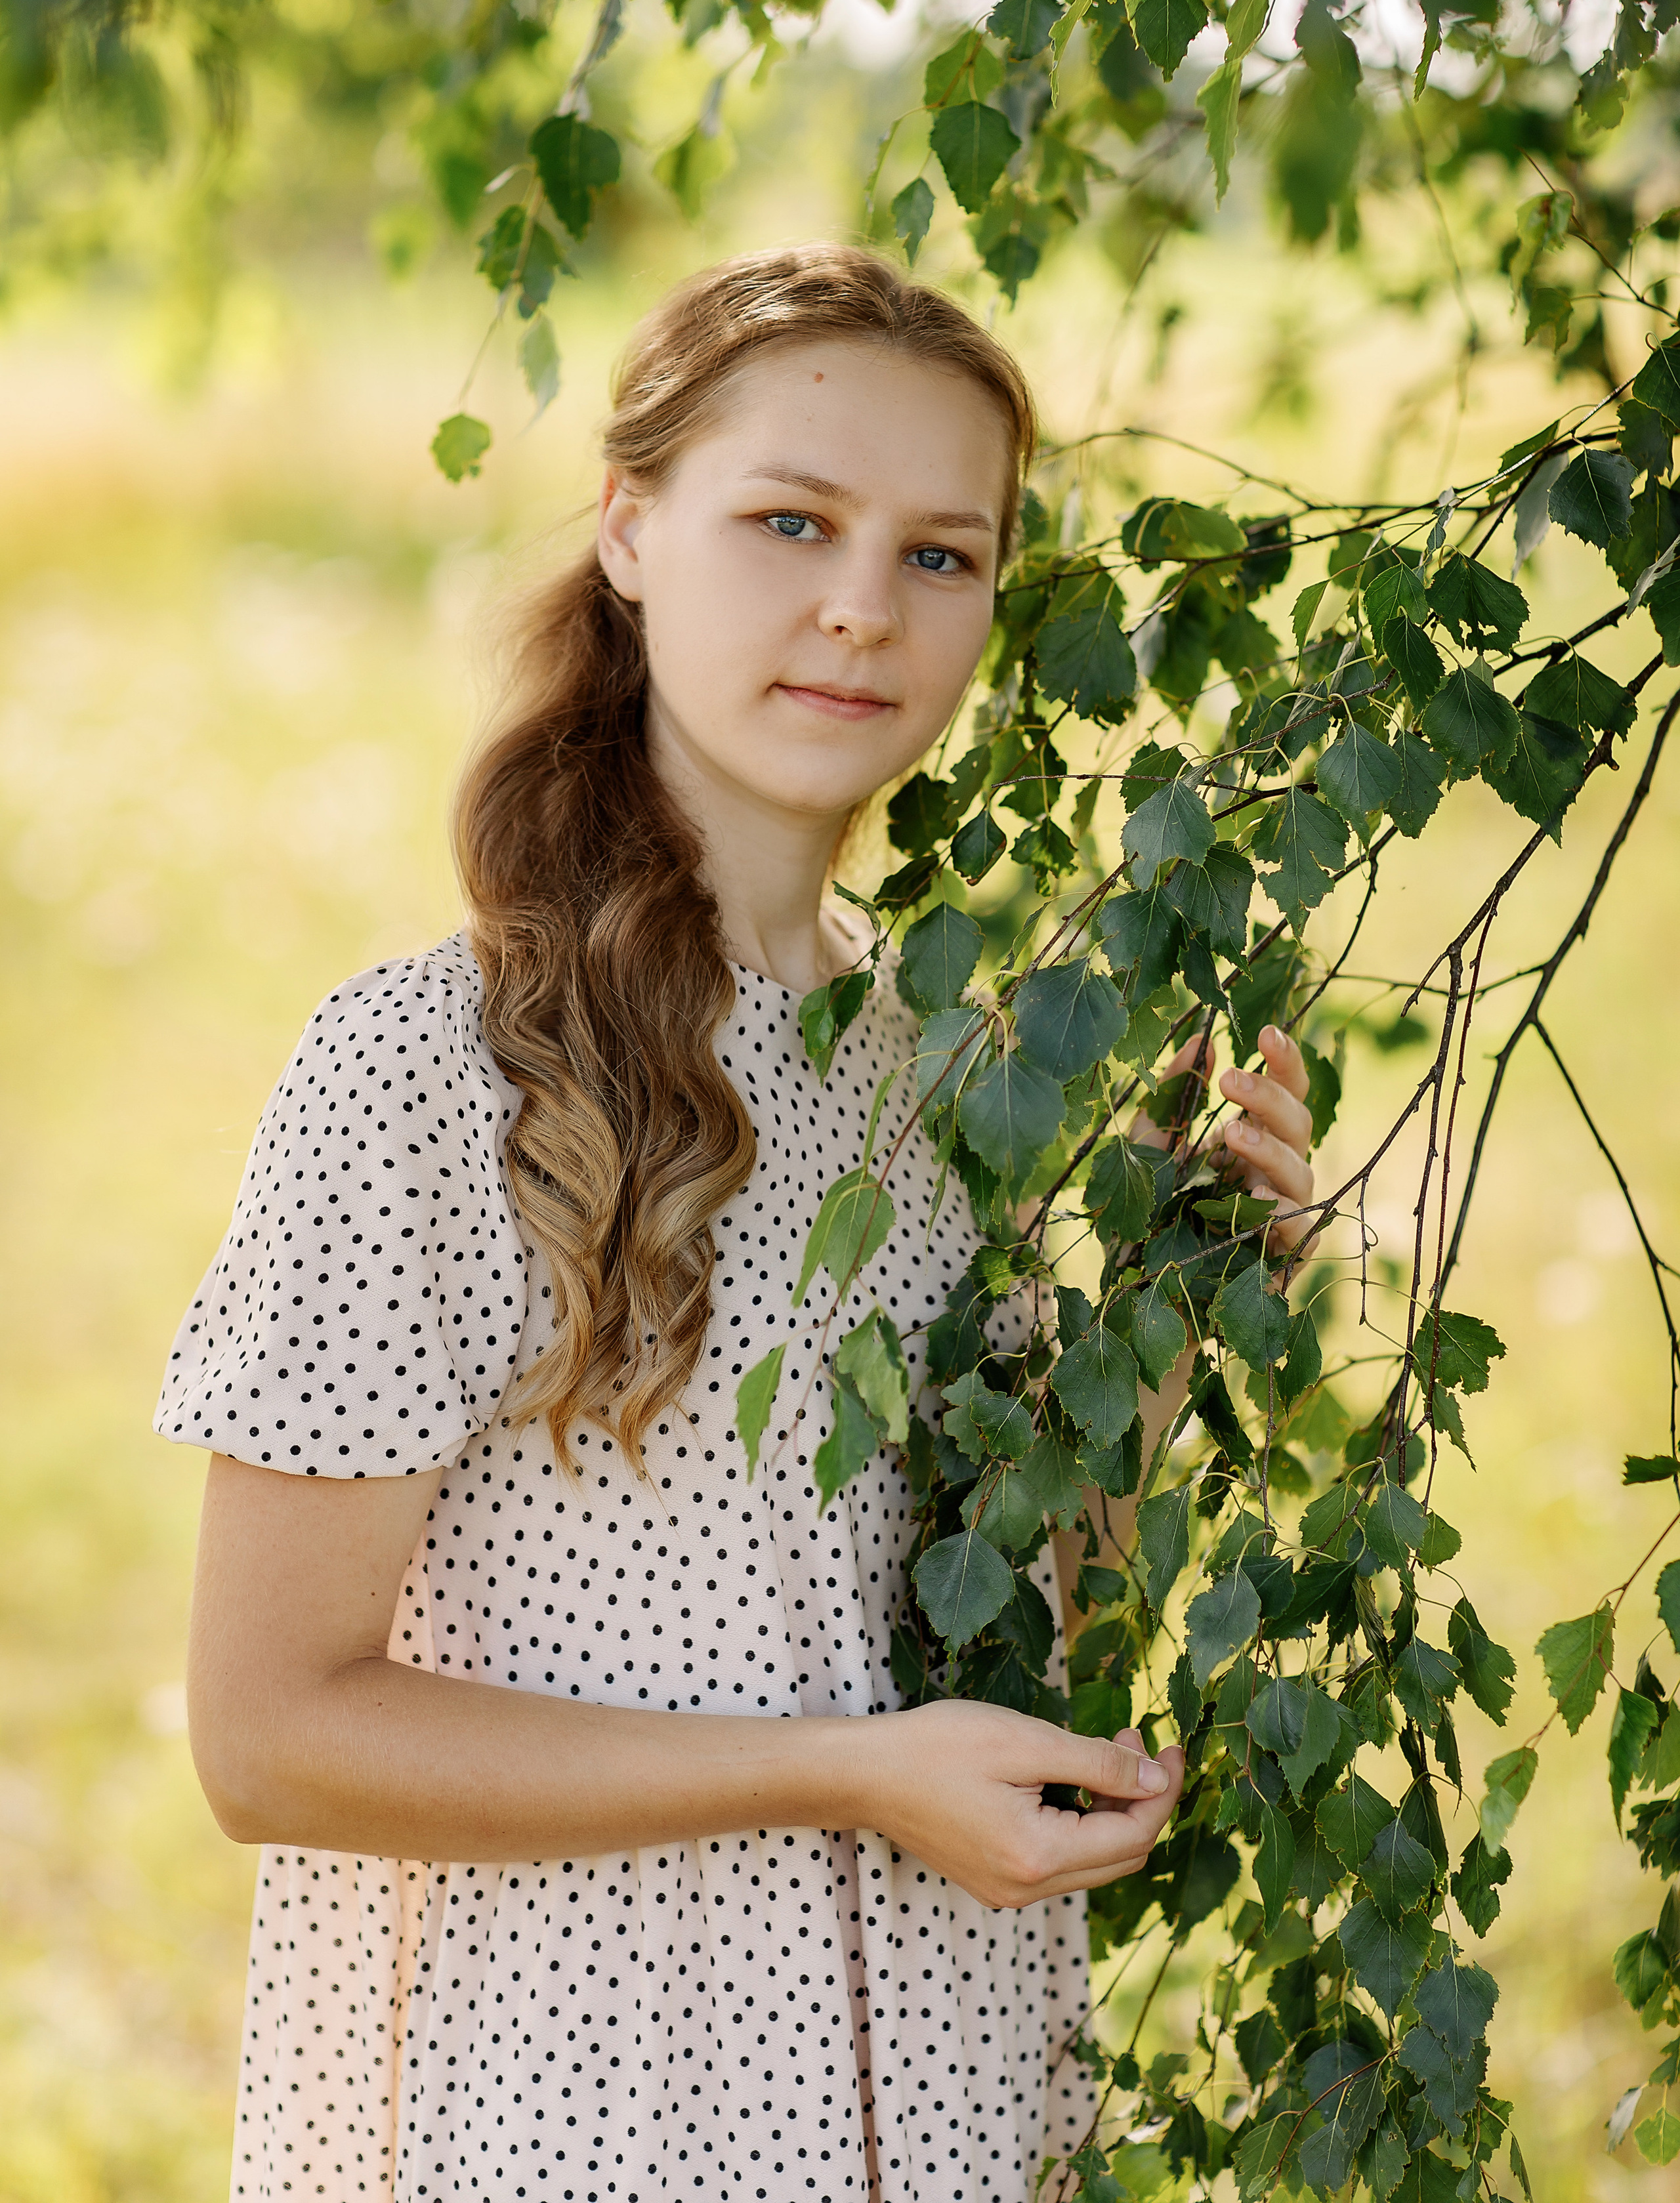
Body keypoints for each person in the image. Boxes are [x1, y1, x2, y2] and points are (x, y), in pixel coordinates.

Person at [159, 243, 1318, 2203]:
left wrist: (1198, 1272)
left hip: (936, 2071)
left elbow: (982, 1584)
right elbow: (271, 1737)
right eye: (791, 521)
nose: (863, 608)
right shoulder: (431, 1072)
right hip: (586, 2096)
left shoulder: (977, 1063)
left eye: (943, 556)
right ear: (629, 525)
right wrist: (842, 1777)